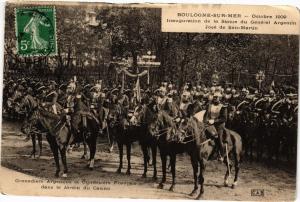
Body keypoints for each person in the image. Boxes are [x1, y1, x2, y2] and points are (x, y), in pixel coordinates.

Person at [203, 90, 228, 160]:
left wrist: (214, 120)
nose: (214, 99)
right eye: (214, 97)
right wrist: (206, 121)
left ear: (219, 98)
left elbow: (224, 118)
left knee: (218, 138)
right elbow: (206, 115)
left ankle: (222, 154)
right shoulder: (209, 105)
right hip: (210, 123)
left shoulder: (223, 106)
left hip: (219, 125)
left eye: (216, 97)